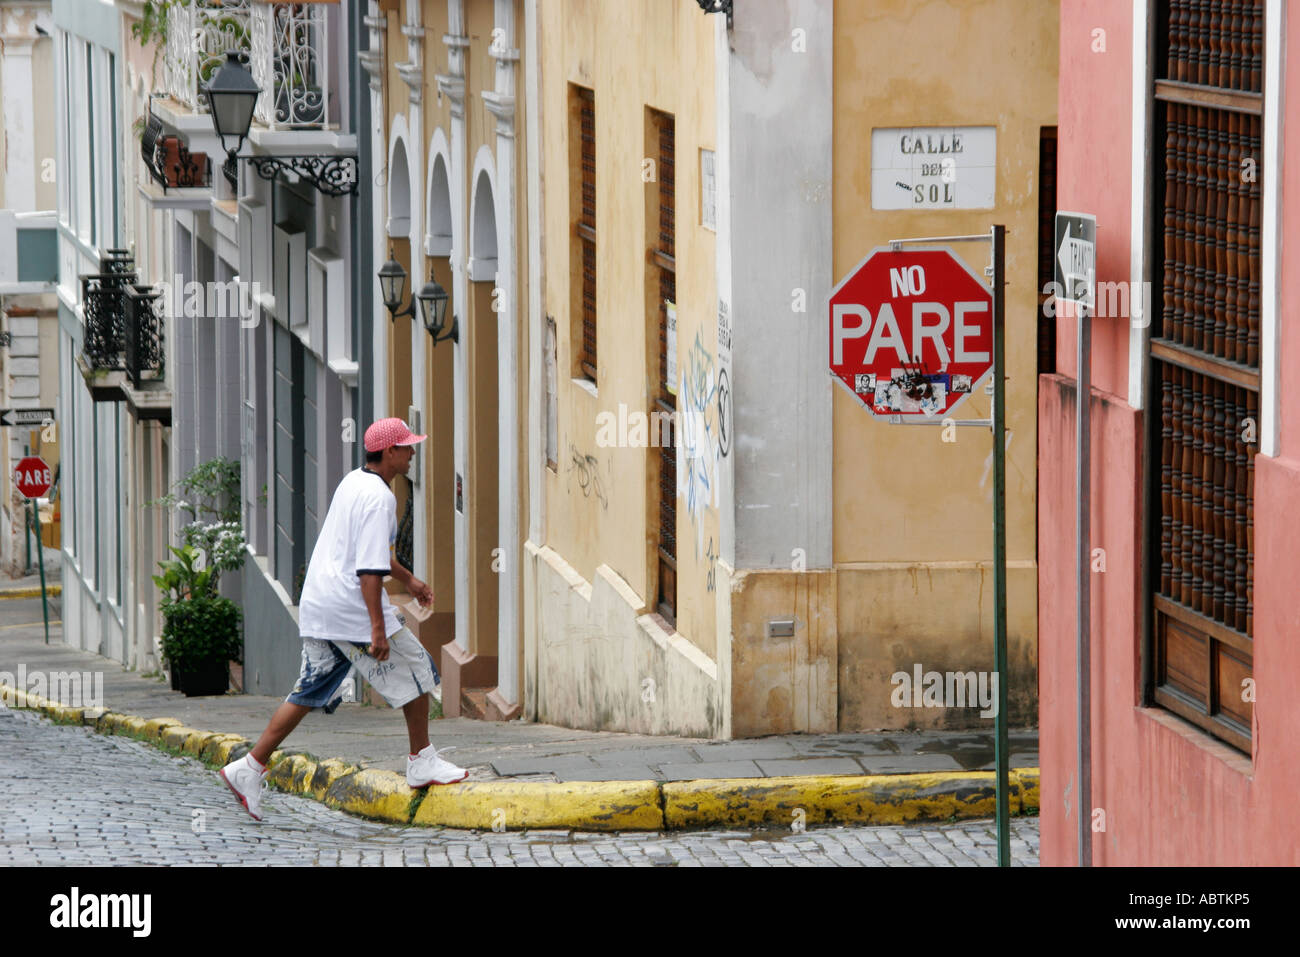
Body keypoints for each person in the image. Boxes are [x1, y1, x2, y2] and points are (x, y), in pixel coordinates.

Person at [219, 417, 467, 821]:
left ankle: (249, 768)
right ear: (389, 453)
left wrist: (410, 579)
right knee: (419, 668)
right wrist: (377, 630)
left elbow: (371, 555)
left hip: (322, 604)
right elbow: (369, 571)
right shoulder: (380, 498)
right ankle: (421, 761)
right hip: (348, 609)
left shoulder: (354, 482)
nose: (413, 452)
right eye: (407, 447)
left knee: (307, 692)